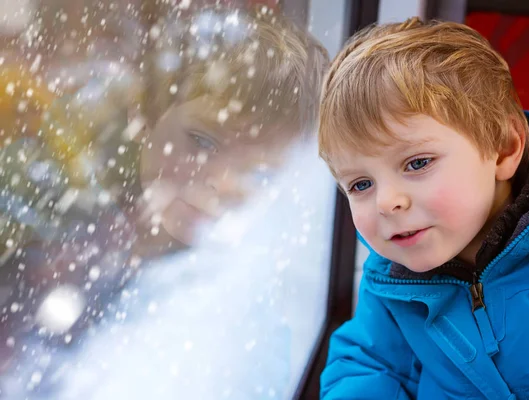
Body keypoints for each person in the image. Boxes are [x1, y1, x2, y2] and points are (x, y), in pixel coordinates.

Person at [0, 2, 327, 394]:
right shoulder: (64, 221)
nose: (221, 184)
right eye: (204, 142)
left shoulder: (252, 312)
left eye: (260, 173)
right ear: (148, 114)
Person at [318, 17, 529, 399]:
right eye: (360, 184)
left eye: (417, 163)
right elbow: (369, 364)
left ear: (502, 148)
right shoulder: (390, 279)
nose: (386, 202)